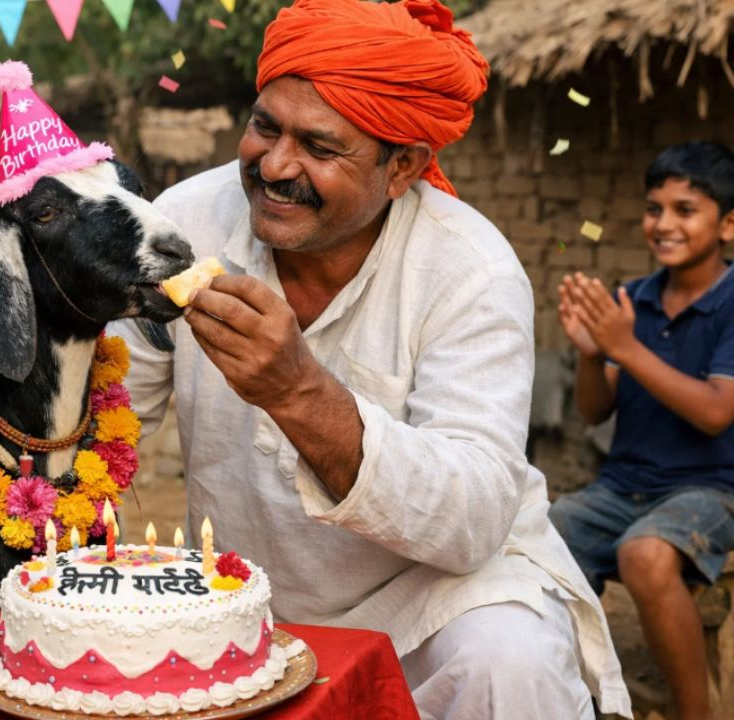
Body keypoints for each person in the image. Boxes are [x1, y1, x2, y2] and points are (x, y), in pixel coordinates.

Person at [110, 0, 631, 717]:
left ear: (402, 167)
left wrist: (298, 392)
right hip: (246, 594)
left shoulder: (471, 271)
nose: (275, 165)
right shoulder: (188, 222)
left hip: (435, 600)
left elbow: (473, 517)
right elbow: (108, 420)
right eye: (265, 127)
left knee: (507, 662)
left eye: (320, 148)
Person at [550, 141, 734, 720]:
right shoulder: (633, 299)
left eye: (685, 210)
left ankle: (693, 712)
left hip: (712, 490)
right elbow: (594, 411)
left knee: (645, 554)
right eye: (654, 209)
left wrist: (625, 348)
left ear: (728, 225)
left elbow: (716, 411)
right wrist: (591, 353)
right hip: (623, 487)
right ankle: (573, 696)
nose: (664, 223)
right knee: (542, 534)